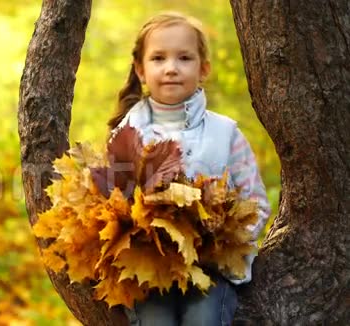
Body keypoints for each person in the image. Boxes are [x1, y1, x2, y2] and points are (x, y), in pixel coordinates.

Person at [107, 12, 271, 326]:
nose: (171, 68)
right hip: (150, 271)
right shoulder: (126, 133)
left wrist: (221, 245)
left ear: (203, 68)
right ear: (141, 70)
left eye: (184, 58)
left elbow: (257, 202)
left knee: (204, 319)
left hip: (211, 270)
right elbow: (111, 202)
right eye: (158, 58)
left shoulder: (226, 133)